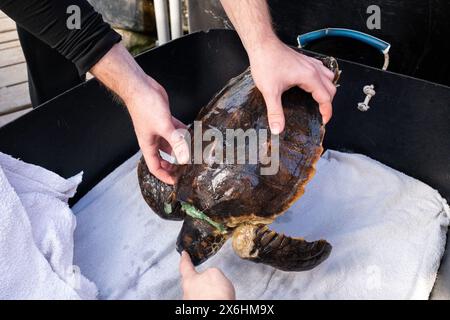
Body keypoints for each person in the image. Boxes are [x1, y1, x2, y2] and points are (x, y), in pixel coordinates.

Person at [0, 0, 336, 299]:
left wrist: (262, 44)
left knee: (249, 245)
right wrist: (134, 90)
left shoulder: (242, 233)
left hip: (262, 113)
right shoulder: (178, 195)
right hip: (255, 114)